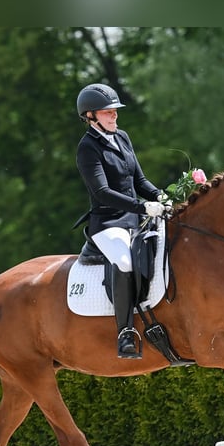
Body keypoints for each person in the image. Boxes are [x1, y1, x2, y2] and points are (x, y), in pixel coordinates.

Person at [75, 83, 171, 359]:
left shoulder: (123, 138)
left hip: (137, 217)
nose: (115, 116)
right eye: (108, 112)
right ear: (91, 116)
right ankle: (125, 331)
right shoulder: (87, 149)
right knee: (124, 261)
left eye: (115, 111)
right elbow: (102, 193)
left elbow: (139, 180)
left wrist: (160, 196)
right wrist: (143, 207)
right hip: (108, 223)